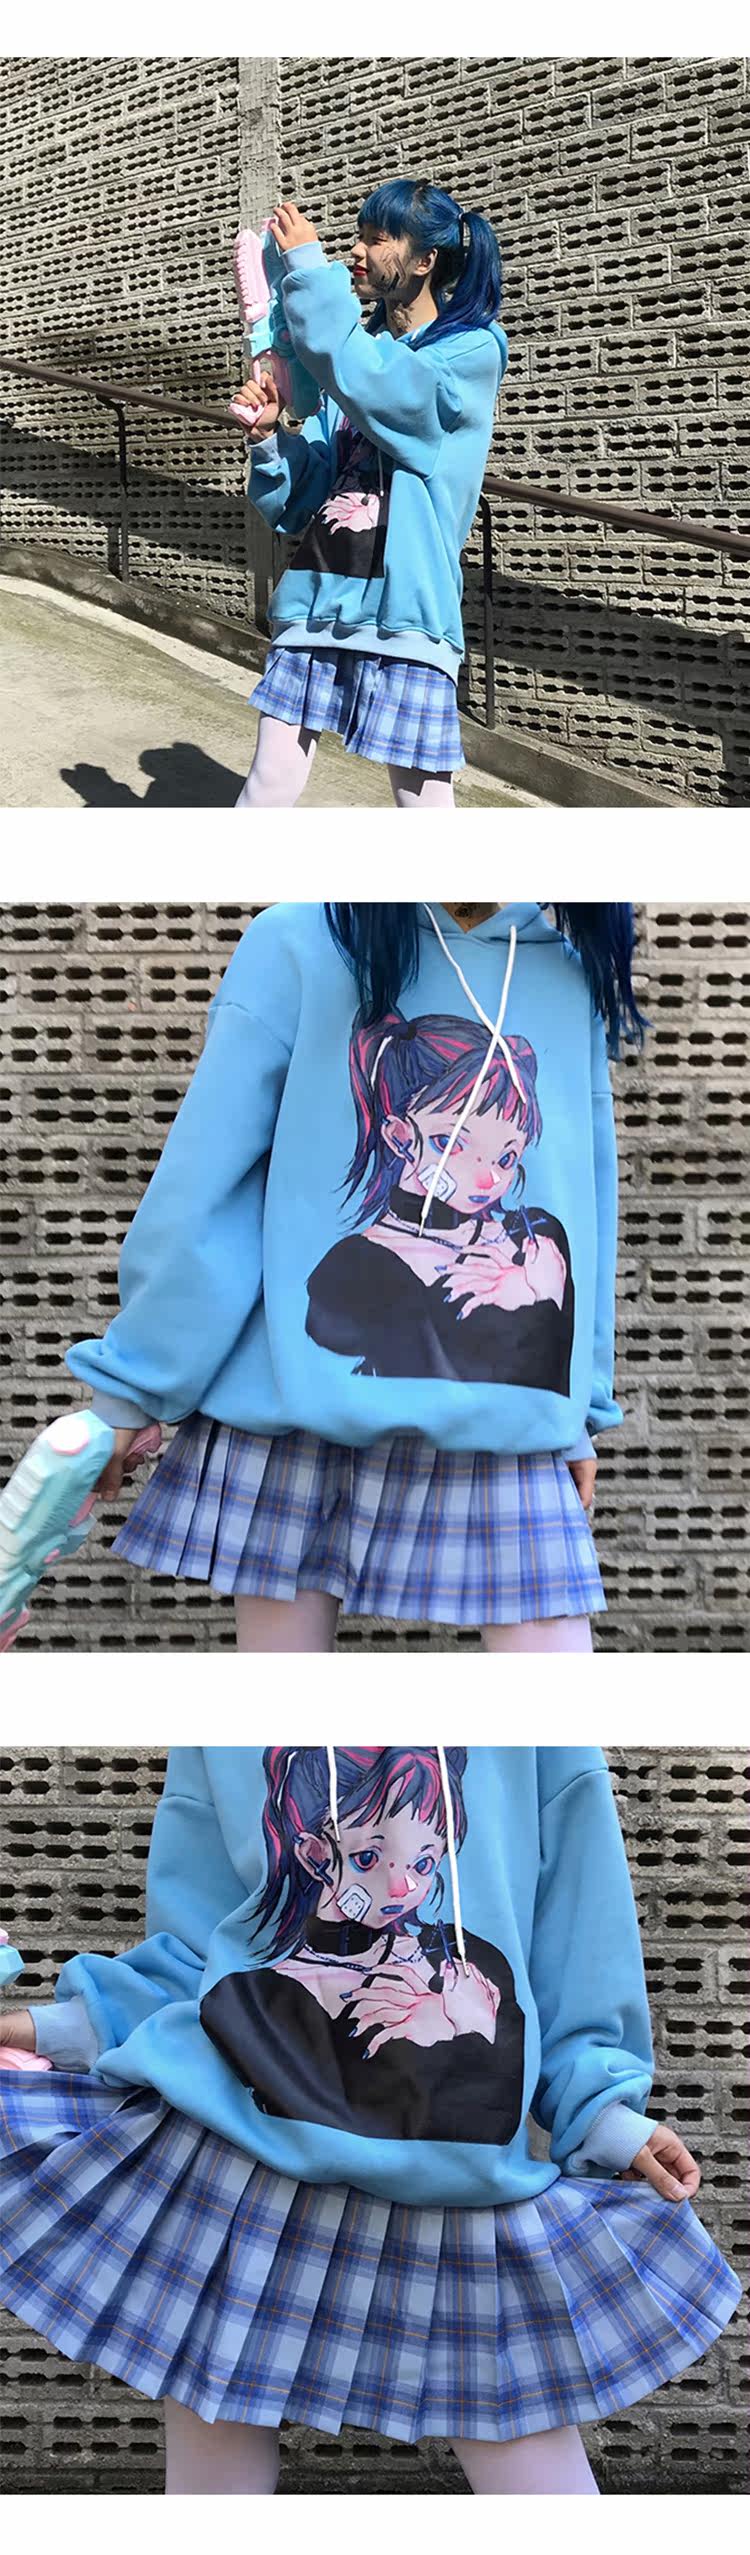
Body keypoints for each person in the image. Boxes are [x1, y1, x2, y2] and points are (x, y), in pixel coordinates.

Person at [0, 1745, 740, 2495]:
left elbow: (580, 1934)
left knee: (538, 2484)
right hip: (238, 2161)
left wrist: (600, 2109)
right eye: (369, 1856)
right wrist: (47, 2027)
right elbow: (192, 1958)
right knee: (212, 2485)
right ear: (316, 1853)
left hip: (456, 2179)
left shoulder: (477, 1935)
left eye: (426, 1861)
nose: (404, 1885)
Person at [20, 902, 642, 1655]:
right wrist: (136, 1382)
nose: (488, 1175)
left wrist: (577, 1405)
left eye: (506, 1156)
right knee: (284, 1711)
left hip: (507, 1420)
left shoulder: (567, 974)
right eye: (454, 1144)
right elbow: (209, 1184)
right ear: (400, 1134)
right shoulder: (303, 942)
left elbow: (588, 1192)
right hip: (296, 1418)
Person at [235, 181, 509, 810]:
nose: (356, 252)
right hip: (316, 602)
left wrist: (307, 273)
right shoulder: (357, 363)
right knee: (267, 785)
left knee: (423, 809)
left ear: (425, 259)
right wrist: (271, 437)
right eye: (357, 238)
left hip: (406, 618)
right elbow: (303, 501)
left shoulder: (470, 352)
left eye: (376, 239)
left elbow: (389, 393)